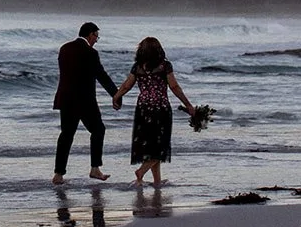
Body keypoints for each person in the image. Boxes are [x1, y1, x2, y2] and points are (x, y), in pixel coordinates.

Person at [111, 36, 194, 186]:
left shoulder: (137, 67)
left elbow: (126, 86)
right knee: (161, 146)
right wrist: (188, 105)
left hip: (143, 109)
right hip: (161, 109)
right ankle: (141, 171)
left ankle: (157, 182)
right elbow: (174, 87)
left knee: (150, 145)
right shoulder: (164, 66)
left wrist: (116, 97)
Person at [52, 21, 119, 184]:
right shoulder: (90, 53)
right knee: (98, 130)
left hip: (65, 99)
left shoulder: (64, 48)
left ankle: (58, 174)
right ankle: (95, 168)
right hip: (84, 100)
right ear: (90, 35)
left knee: (66, 135)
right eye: (96, 36)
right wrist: (116, 95)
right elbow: (101, 75)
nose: (96, 40)